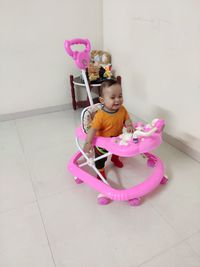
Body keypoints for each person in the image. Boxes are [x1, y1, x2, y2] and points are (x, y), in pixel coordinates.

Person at [83, 79, 135, 179]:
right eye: (113, 97)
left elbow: (126, 119)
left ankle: (115, 159)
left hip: (117, 139)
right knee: (100, 159)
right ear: (102, 100)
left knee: (117, 151)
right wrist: (88, 142)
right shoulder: (100, 115)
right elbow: (93, 129)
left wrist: (129, 125)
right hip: (103, 143)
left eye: (120, 96)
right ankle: (101, 171)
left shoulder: (122, 109)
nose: (118, 100)